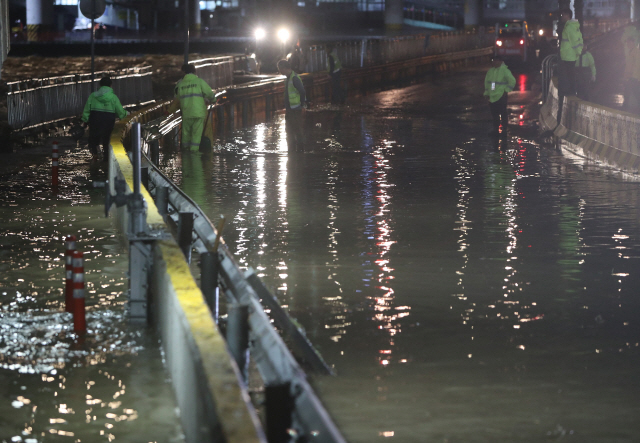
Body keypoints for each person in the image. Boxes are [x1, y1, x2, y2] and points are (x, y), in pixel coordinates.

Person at [167, 64, 216, 151]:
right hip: (198, 114)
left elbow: (176, 101)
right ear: (194, 71)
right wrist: (213, 100)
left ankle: (185, 154)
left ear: (184, 72)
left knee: (186, 136)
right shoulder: (199, 82)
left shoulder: (180, 85)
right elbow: (209, 93)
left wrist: (169, 110)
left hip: (186, 114)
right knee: (196, 137)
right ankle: (194, 156)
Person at [81, 76, 128, 162]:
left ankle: (95, 154)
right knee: (106, 139)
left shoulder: (93, 96)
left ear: (100, 85)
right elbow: (120, 111)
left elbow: (87, 109)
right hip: (108, 121)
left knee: (94, 138)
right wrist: (126, 115)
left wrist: (85, 120)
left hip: (95, 119)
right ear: (110, 85)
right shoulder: (113, 97)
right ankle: (106, 158)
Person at [557, 8, 583, 124]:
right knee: (570, 73)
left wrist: (578, 51)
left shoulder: (570, 27)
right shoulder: (571, 26)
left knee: (571, 73)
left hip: (569, 55)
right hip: (569, 54)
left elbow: (574, 41)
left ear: (567, 15)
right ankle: (573, 90)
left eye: (563, 14)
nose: (561, 17)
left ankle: (573, 91)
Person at [277, 59, 306, 152]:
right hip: (290, 109)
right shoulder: (289, 78)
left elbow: (302, 92)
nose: (279, 71)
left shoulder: (294, 78)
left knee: (297, 131)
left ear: (284, 68)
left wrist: (303, 106)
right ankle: (292, 151)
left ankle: (299, 151)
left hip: (295, 109)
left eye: (279, 69)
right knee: (289, 131)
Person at [483, 55, 515, 136]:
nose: (494, 62)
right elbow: (487, 83)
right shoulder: (490, 71)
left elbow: (512, 81)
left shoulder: (504, 71)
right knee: (494, 113)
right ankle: (495, 129)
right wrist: (486, 94)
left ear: (500, 61)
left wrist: (506, 90)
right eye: (493, 60)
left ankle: (504, 129)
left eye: (496, 60)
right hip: (492, 96)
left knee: (503, 112)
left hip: (501, 95)